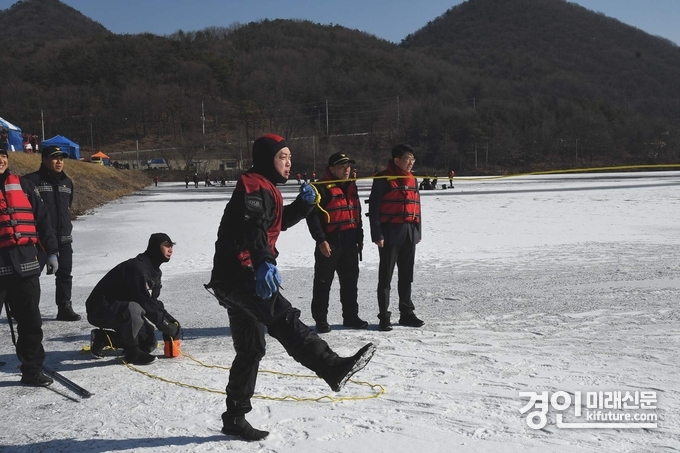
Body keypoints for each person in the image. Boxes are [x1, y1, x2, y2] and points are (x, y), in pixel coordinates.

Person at [207, 134, 375, 441]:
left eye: (289, 157)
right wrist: (263, 261)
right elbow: (255, 228)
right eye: (282, 157)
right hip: (242, 274)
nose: (288, 163)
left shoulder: (265, 186)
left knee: (251, 349)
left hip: (232, 278)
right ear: (266, 159)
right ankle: (331, 366)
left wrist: (303, 205)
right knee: (284, 318)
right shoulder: (254, 186)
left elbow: (277, 222)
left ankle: (234, 418)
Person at [0, 144, 59, 386]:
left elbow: (43, 220)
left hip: (25, 265)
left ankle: (32, 369)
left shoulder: (23, 186)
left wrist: (52, 252)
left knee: (31, 322)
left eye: (3, 156)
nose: (0, 160)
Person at [86, 233, 182, 366]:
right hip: (100, 309)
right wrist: (163, 324)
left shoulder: (154, 271)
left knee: (149, 343)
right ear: (155, 247)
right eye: (166, 246)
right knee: (134, 308)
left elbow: (153, 302)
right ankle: (133, 354)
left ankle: (103, 338)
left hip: (123, 311)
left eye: (171, 246)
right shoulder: (138, 268)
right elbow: (143, 301)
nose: (170, 249)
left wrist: (170, 321)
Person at [306, 152, 367, 333]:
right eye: (342, 167)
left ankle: (350, 316)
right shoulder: (321, 188)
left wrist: (360, 237)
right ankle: (320, 319)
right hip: (330, 242)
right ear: (331, 169)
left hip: (350, 241)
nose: (346, 170)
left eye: (348, 166)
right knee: (323, 282)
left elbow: (356, 213)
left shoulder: (351, 186)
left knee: (350, 282)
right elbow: (313, 218)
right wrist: (321, 240)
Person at [368, 144, 425, 331]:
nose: (411, 162)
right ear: (396, 160)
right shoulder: (383, 178)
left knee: (406, 276)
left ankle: (406, 313)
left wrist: (418, 231)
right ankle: (384, 316)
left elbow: (416, 206)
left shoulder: (412, 179)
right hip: (390, 234)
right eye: (408, 158)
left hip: (409, 233)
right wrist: (377, 234)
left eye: (413, 159)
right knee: (385, 278)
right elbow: (374, 209)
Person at [24, 145, 81, 322]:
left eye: (61, 159)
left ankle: (64, 307)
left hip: (63, 238)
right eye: (55, 158)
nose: (59, 162)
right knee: (31, 277)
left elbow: (67, 207)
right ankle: (26, 309)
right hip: (39, 240)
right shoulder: (30, 181)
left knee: (65, 274)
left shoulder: (67, 182)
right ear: (44, 159)